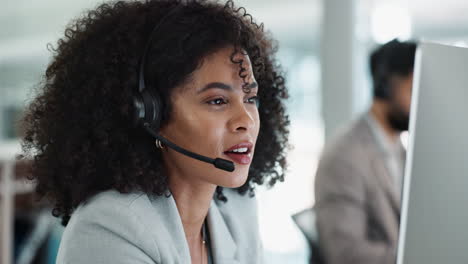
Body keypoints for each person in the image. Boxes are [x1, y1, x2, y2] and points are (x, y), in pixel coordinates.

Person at [20, 1, 290, 263]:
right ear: (150, 114)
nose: (246, 120)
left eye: (250, 98)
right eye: (217, 101)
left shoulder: (237, 209)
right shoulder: (111, 228)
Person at [314, 39, 417, 264]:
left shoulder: (400, 149)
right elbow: (345, 254)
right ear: (385, 86)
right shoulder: (345, 155)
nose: (420, 102)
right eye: (412, 90)